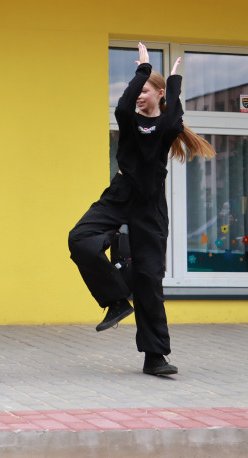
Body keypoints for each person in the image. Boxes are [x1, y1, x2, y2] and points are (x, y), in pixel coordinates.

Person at [68, 43, 215, 377]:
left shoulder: (165, 128)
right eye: (139, 89)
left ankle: (155, 357)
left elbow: (175, 113)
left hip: (149, 208)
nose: (139, 95)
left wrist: (174, 80)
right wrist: (143, 70)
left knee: (149, 279)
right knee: (80, 239)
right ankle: (116, 301)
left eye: (146, 91)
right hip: (119, 197)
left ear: (159, 94)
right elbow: (123, 100)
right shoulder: (128, 120)